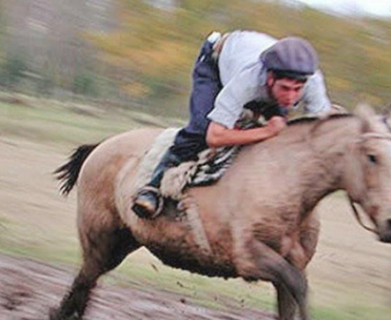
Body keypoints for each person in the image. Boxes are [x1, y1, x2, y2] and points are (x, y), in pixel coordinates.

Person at [132, 30, 332, 219]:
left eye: (298, 89)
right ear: (271, 78)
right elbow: (215, 136)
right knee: (200, 131)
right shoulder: (248, 80)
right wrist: (266, 131)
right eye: (286, 88)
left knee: (281, 133)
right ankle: (153, 188)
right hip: (216, 64)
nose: (291, 97)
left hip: (254, 69)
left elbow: (319, 131)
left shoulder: (312, 81)